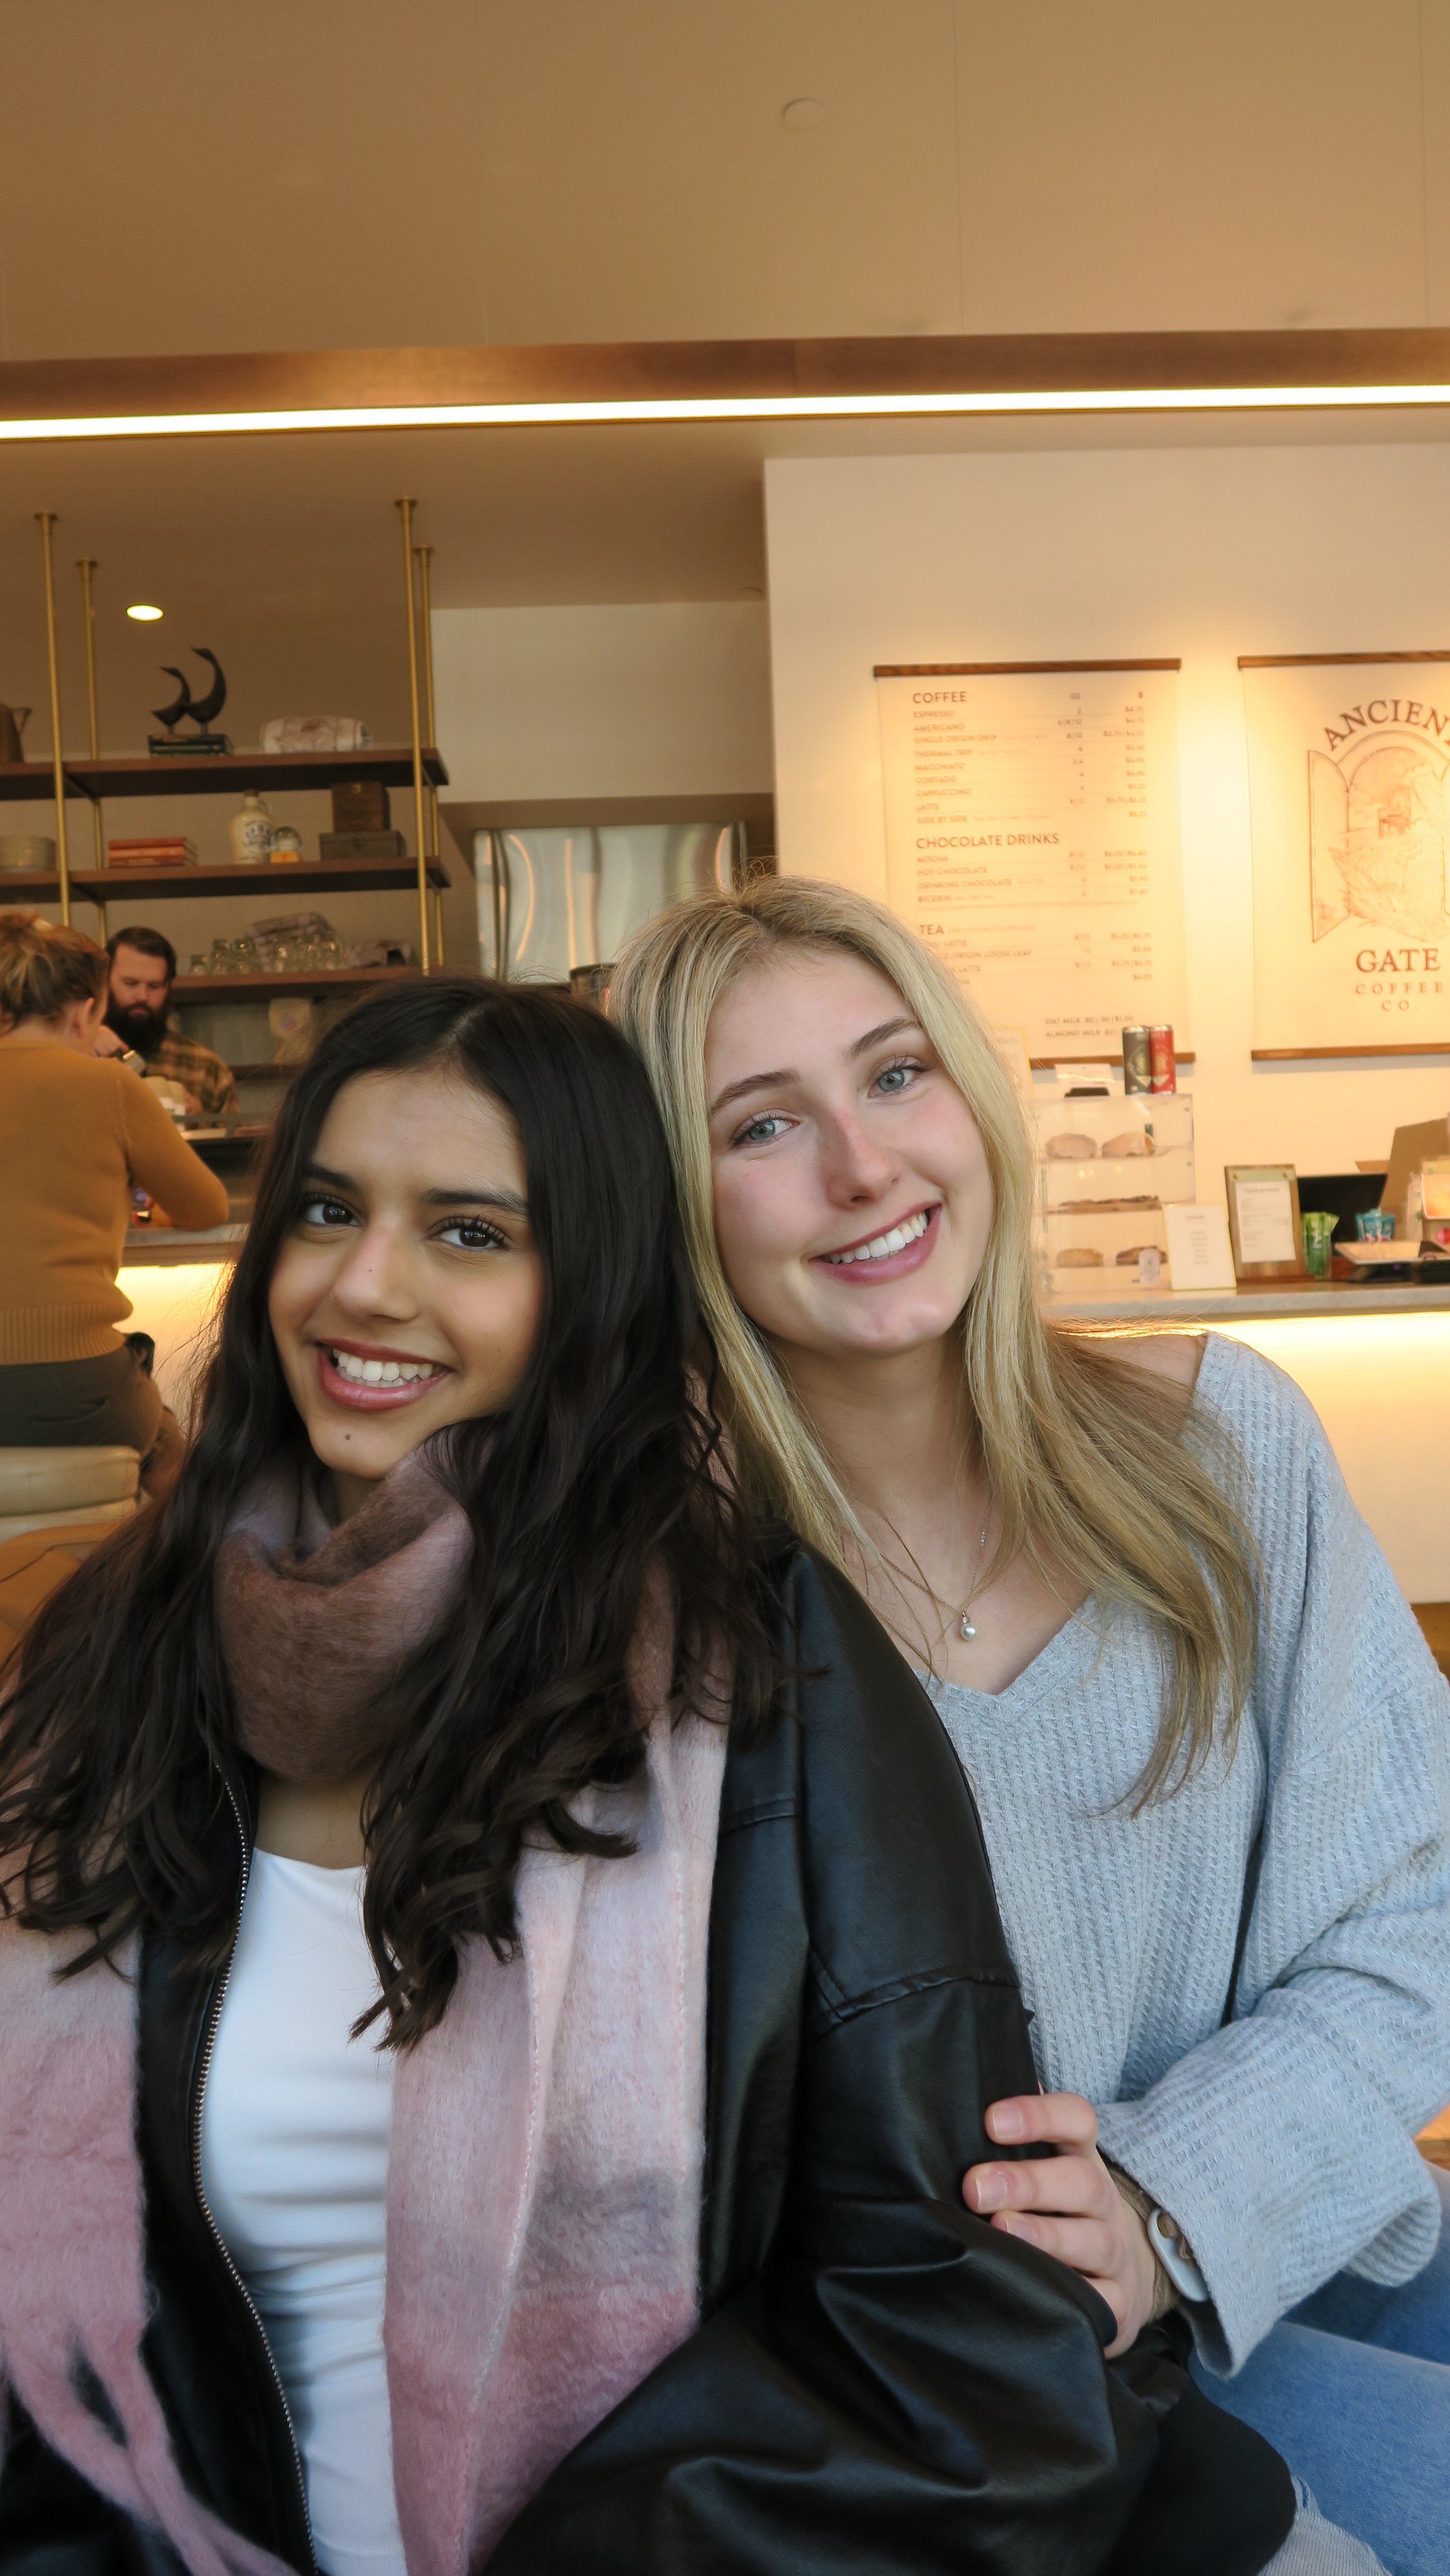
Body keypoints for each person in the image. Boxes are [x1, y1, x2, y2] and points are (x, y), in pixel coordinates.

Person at [0, 974, 1324, 2576]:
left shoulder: (754, 1667)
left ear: (591, 1287)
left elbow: (944, 2329)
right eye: (330, 1210)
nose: (364, 1284)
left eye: (471, 1233)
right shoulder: (107, 1661)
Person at [614, 875, 1450, 2576]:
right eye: (760, 1123)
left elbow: (1411, 1910)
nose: (865, 1168)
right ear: (665, 1201)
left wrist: (1166, 2196)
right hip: (952, 2392)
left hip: (1274, 2242)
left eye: (895, 1074)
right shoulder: (645, 1600)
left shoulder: (1222, 1444)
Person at [0, 912, 229, 1490]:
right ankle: (139, 1577)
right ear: (84, 1012)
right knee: (180, 1467)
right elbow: (208, 1208)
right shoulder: (109, 1085)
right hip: (80, 1387)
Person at [102, 923, 239, 1116]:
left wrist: (202, 1121)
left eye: (155, 986)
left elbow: (235, 1144)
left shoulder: (204, 1066)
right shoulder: (81, 1054)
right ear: (105, 982)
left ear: (168, 988)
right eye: (131, 983)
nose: (142, 996)